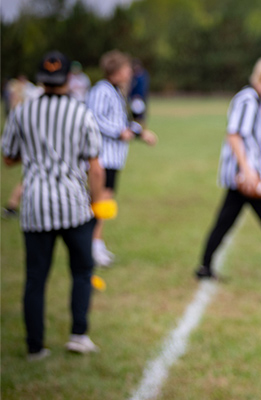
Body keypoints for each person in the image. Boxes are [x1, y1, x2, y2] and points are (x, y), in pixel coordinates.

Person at [2, 51, 107, 360]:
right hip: (74, 205)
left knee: (35, 278)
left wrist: (36, 154)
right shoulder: (81, 113)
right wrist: (96, 201)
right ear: (67, 80)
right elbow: (95, 167)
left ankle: (35, 345)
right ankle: (78, 334)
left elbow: (8, 158)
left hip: (35, 204)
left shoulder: (22, 112)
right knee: (82, 271)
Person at [194, 55, 261, 280]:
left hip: (251, 171)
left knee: (225, 221)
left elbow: (254, 141)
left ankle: (204, 267)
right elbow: (235, 136)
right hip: (246, 176)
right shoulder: (247, 100)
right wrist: (248, 170)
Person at [85, 50, 158, 266]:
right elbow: (95, 119)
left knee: (105, 201)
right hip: (102, 157)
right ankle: (92, 247)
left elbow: (123, 120)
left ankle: (96, 245)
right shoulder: (102, 90)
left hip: (114, 158)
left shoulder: (117, 92)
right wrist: (119, 132)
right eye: (126, 69)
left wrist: (139, 132)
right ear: (115, 71)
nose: (129, 72)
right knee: (99, 201)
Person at [129, 58, 149, 125]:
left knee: (141, 116)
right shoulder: (133, 76)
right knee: (134, 116)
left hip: (140, 98)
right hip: (133, 99)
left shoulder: (143, 75)